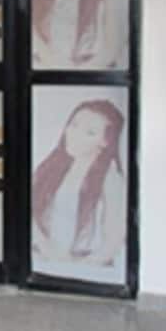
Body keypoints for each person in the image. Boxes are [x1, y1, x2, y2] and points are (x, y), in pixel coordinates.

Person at [32, 99, 126, 272]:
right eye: (74, 125)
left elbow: (113, 242)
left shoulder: (111, 179)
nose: (74, 134)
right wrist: (47, 250)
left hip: (86, 266)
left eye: (89, 132)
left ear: (105, 141)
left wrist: (76, 269)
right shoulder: (52, 167)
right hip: (43, 260)